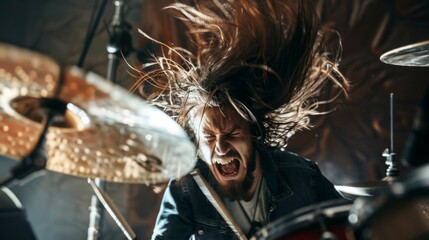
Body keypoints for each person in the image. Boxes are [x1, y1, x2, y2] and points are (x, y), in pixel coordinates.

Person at [133, 0, 349, 239]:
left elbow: (351, 228)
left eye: (231, 134)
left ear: (253, 134)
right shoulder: (186, 189)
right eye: (209, 137)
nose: (221, 147)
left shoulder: (303, 177)